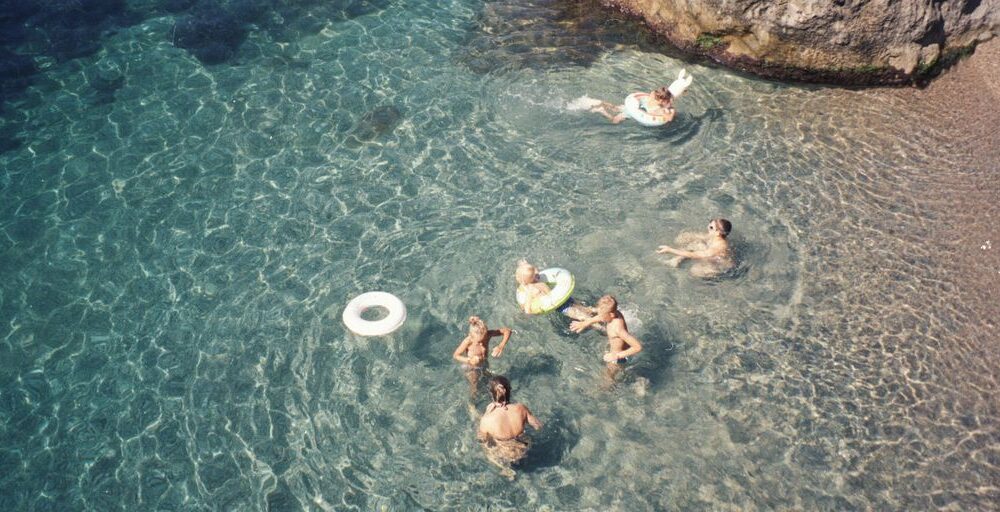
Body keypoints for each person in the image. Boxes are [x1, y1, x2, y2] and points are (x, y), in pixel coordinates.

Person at [477, 375, 543, 478]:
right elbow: (538, 426)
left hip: (506, 455)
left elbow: (482, 439)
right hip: (524, 449)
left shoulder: (487, 420)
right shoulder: (521, 408)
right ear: (510, 390)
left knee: (486, 450)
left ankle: (505, 469)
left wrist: (486, 413)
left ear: (491, 393)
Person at [569, 295, 643, 379]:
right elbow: (600, 316)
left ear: (611, 315)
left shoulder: (618, 329)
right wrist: (584, 323)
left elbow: (638, 347)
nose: (600, 317)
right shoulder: (614, 313)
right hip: (615, 348)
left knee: (607, 378)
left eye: (602, 316)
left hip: (618, 359)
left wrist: (617, 356)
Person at [515, 260, 603, 328]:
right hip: (563, 298)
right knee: (585, 309)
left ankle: (601, 328)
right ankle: (602, 311)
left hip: (561, 306)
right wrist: (524, 264)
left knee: (582, 317)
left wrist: (526, 316)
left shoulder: (529, 290)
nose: (537, 273)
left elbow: (527, 310)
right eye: (535, 274)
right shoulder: (539, 282)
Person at [656, 218, 734, 277]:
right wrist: (687, 237)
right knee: (696, 244)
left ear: (718, 232)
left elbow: (694, 255)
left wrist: (670, 249)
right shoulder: (716, 237)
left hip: (718, 266)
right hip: (711, 256)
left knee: (695, 270)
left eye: (711, 227)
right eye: (709, 223)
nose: (707, 227)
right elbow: (702, 237)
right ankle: (675, 261)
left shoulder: (717, 248)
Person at [453, 316, 512, 393]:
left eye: (484, 339)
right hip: (473, 367)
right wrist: (469, 360)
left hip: (484, 363)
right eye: (479, 342)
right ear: (471, 336)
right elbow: (456, 355)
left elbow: (507, 331)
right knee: (475, 386)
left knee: (489, 379)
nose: (481, 343)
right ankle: (472, 399)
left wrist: (501, 346)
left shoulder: (487, 334)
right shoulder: (468, 341)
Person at [591, 87, 675, 125]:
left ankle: (601, 103)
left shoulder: (652, 95)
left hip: (632, 105)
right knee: (615, 121)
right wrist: (671, 109)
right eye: (667, 100)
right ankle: (602, 111)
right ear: (662, 101)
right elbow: (669, 118)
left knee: (616, 108)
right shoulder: (658, 109)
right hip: (633, 113)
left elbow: (642, 96)